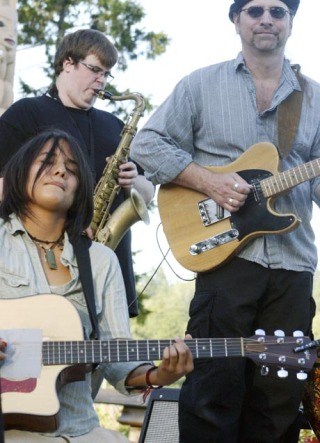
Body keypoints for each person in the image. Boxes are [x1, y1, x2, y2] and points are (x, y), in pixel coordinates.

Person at [131, 0, 320, 441]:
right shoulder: (200, 84)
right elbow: (147, 145)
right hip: (224, 258)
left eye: (278, 11)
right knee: (212, 393)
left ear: (291, 22)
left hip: (293, 263)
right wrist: (209, 183)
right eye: (255, 11)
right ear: (237, 20)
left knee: (278, 403)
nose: (267, 19)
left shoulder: (314, 97)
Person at [0, 129, 193, 442]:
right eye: (47, 161)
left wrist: (161, 374)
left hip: (81, 430)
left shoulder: (101, 261)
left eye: (72, 169)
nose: (61, 170)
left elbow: (117, 359)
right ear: (20, 172)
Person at [0, 28, 154, 317]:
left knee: (112, 357)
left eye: (107, 74)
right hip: (42, 267)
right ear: (67, 63)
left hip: (106, 262)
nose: (102, 80)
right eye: (95, 69)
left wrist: (135, 181)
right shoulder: (26, 113)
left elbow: (146, 193)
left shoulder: (114, 124)